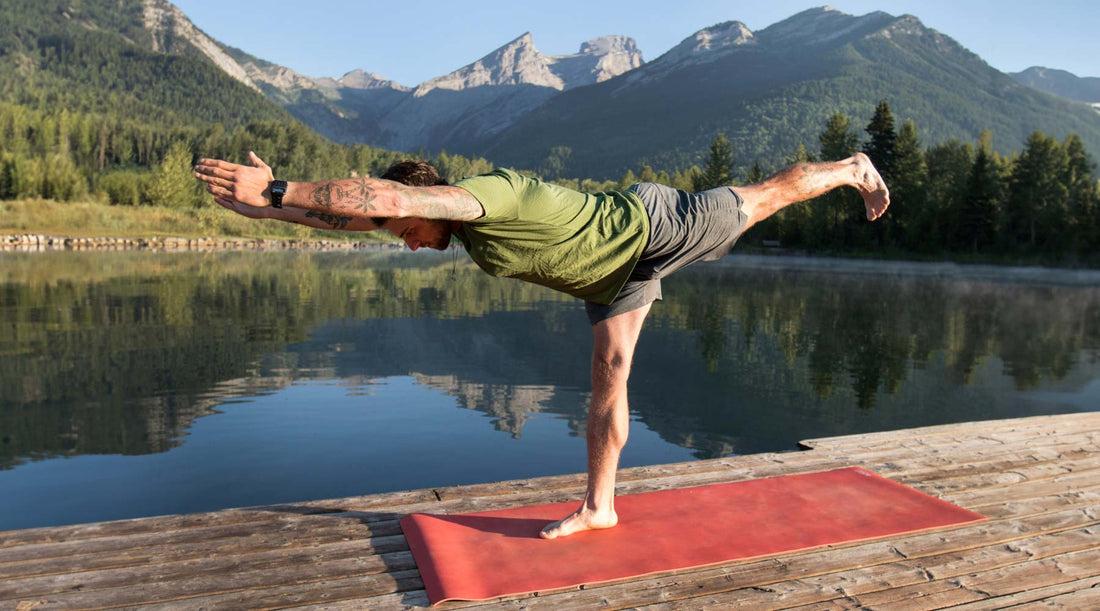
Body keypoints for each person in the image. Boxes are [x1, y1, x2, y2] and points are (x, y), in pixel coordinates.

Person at [194, 151, 890, 540]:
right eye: (394, 234)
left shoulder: (477, 199)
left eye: (402, 229)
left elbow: (397, 205)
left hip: (654, 227)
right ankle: (600, 505)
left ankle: (850, 168)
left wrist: (283, 182)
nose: (403, 243)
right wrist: (268, 207)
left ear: (424, 200)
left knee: (767, 195)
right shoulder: (451, 226)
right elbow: (370, 214)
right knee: (609, 379)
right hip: (614, 275)